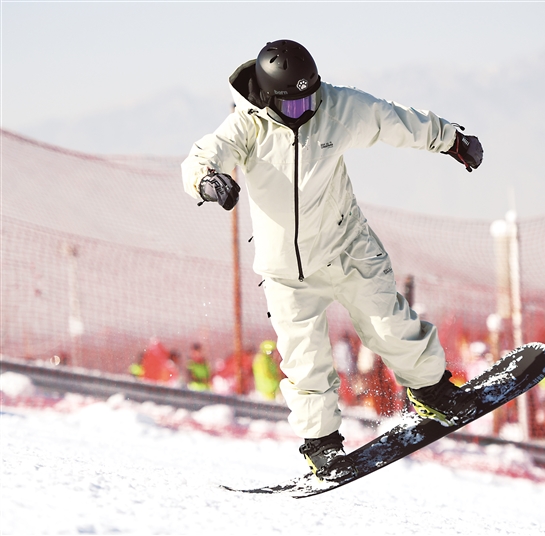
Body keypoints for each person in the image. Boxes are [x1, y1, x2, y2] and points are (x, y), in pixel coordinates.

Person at [181, 39, 483, 481]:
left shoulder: (335, 106)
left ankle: (432, 391)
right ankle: (321, 444)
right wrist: (207, 181)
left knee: (389, 323)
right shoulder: (247, 126)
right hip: (287, 270)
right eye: (293, 103)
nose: (305, 110)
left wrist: (451, 140)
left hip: (346, 247)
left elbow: (392, 119)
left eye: (310, 98)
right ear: (268, 98)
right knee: (305, 360)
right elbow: (205, 155)